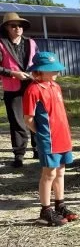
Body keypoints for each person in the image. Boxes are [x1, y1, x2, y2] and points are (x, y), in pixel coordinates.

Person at [22, 52, 79, 226]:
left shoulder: (55, 86)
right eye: (51, 69)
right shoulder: (33, 89)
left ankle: (60, 205)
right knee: (49, 173)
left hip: (63, 137)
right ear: (39, 70)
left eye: (56, 69)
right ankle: (45, 210)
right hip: (49, 139)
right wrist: (41, 134)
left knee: (61, 171)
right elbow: (28, 118)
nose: (56, 72)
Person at [0, 12, 38, 167]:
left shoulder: (31, 43)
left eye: (20, 25)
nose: (18, 28)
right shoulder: (1, 44)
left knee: (35, 118)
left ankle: (38, 149)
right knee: (17, 122)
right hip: (12, 88)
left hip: (33, 86)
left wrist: (37, 74)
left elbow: (39, 62)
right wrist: (13, 73)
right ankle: (19, 155)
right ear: (6, 28)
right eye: (13, 26)